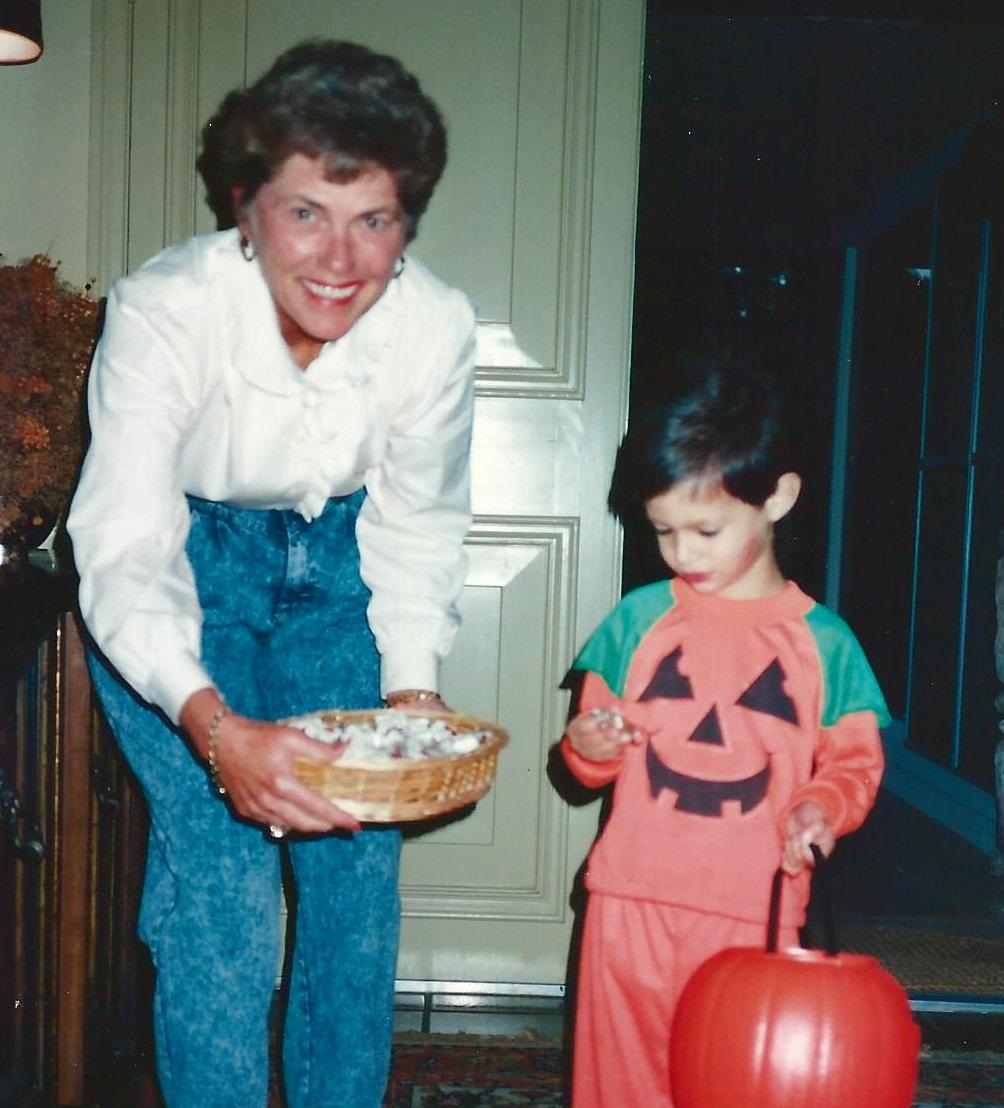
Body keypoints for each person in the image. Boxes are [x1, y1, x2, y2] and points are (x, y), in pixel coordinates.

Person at [67, 39, 476, 1108]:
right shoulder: (163, 309)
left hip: (336, 573)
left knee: (352, 885)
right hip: (183, 577)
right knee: (223, 893)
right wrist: (212, 725)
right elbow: (124, 545)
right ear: (246, 205)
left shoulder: (432, 325)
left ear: (406, 223)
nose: (340, 256)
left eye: (374, 219)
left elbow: (417, 518)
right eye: (306, 212)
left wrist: (412, 694)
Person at [558, 364, 888, 1108]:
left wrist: (822, 807)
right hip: (629, 898)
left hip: (754, 910)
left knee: (735, 1079)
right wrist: (590, 746)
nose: (684, 554)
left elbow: (856, 766)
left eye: (707, 530)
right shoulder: (637, 622)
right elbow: (584, 764)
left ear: (777, 497)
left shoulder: (824, 644)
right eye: (664, 531)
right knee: (621, 1080)